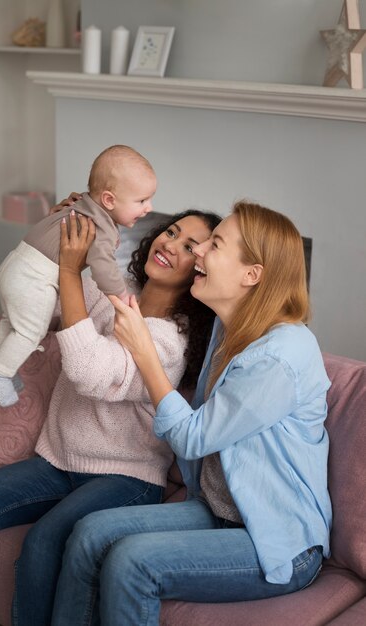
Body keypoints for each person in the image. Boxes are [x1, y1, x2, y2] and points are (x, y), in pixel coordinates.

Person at [50, 200, 332, 626]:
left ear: (251, 275)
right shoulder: (229, 329)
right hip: (219, 512)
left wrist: (144, 352)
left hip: (275, 538)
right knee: (89, 534)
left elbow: (194, 437)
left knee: (131, 562)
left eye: (215, 245)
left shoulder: (281, 356)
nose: (198, 252)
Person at [0, 205, 221, 626]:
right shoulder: (111, 292)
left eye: (189, 246)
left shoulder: (170, 342)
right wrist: (59, 229)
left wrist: (73, 274)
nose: (170, 243)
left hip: (126, 478)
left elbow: (89, 372)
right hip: (58, 461)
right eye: (171, 231)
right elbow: (38, 298)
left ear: (198, 272)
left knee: (44, 540)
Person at [0, 144, 157, 407]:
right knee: (31, 332)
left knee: (12, 322)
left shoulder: (79, 202)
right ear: (109, 200)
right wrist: (120, 295)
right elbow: (103, 266)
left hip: (13, 265)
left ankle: (4, 366)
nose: (148, 208)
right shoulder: (102, 227)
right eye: (141, 201)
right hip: (34, 279)